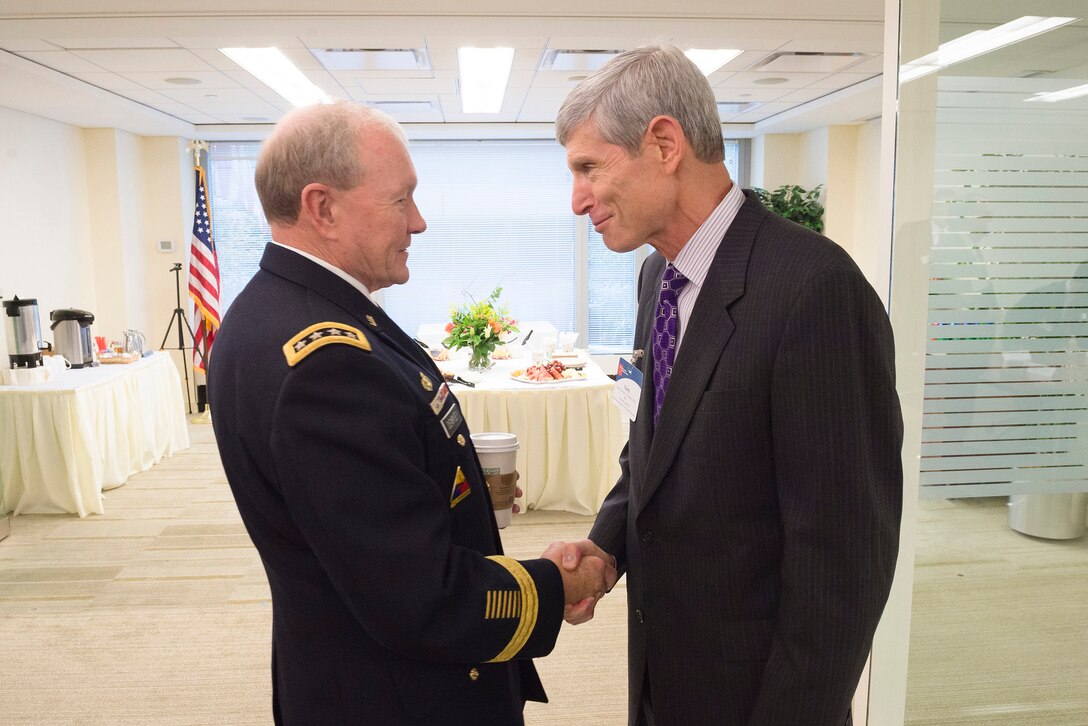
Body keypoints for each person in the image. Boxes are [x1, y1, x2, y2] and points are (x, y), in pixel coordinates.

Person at [208, 101, 614, 725]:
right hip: (396, 696)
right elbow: (421, 598)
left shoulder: (279, 309)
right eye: (401, 200)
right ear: (323, 207)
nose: (419, 223)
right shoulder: (326, 362)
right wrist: (559, 586)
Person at [552, 44, 904, 726]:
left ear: (663, 143)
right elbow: (650, 454)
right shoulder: (658, 277)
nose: (577, 200)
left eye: (589, 167)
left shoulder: (814, 289)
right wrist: (604, 548)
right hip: (665, 677)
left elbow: (843, 563)